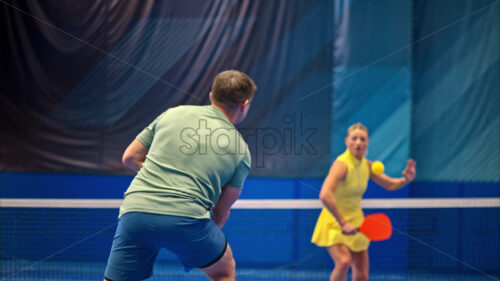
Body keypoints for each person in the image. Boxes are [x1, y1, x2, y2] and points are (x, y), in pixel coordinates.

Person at [104, 70, 257, 281]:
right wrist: (195, 239)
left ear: (211, 96)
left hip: (135, 212)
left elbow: (129, 157)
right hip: (188, 219)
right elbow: (220, 214)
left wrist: (162, 175)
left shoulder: (172, 114)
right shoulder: (242, 151)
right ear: (245, 104)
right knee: (224, 271)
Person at [311, 123, 416, 281]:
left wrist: (406, 179)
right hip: (334, 222)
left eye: (363, 139)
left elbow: (390, 184)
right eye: (354, 138)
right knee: (343, 261)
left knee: (362, 274)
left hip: (358, 223)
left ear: (367, 143)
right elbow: (325, 194)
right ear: (347, 141)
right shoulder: (341, 165)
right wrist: (343, 223)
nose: (359, 142)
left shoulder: (367, 165)